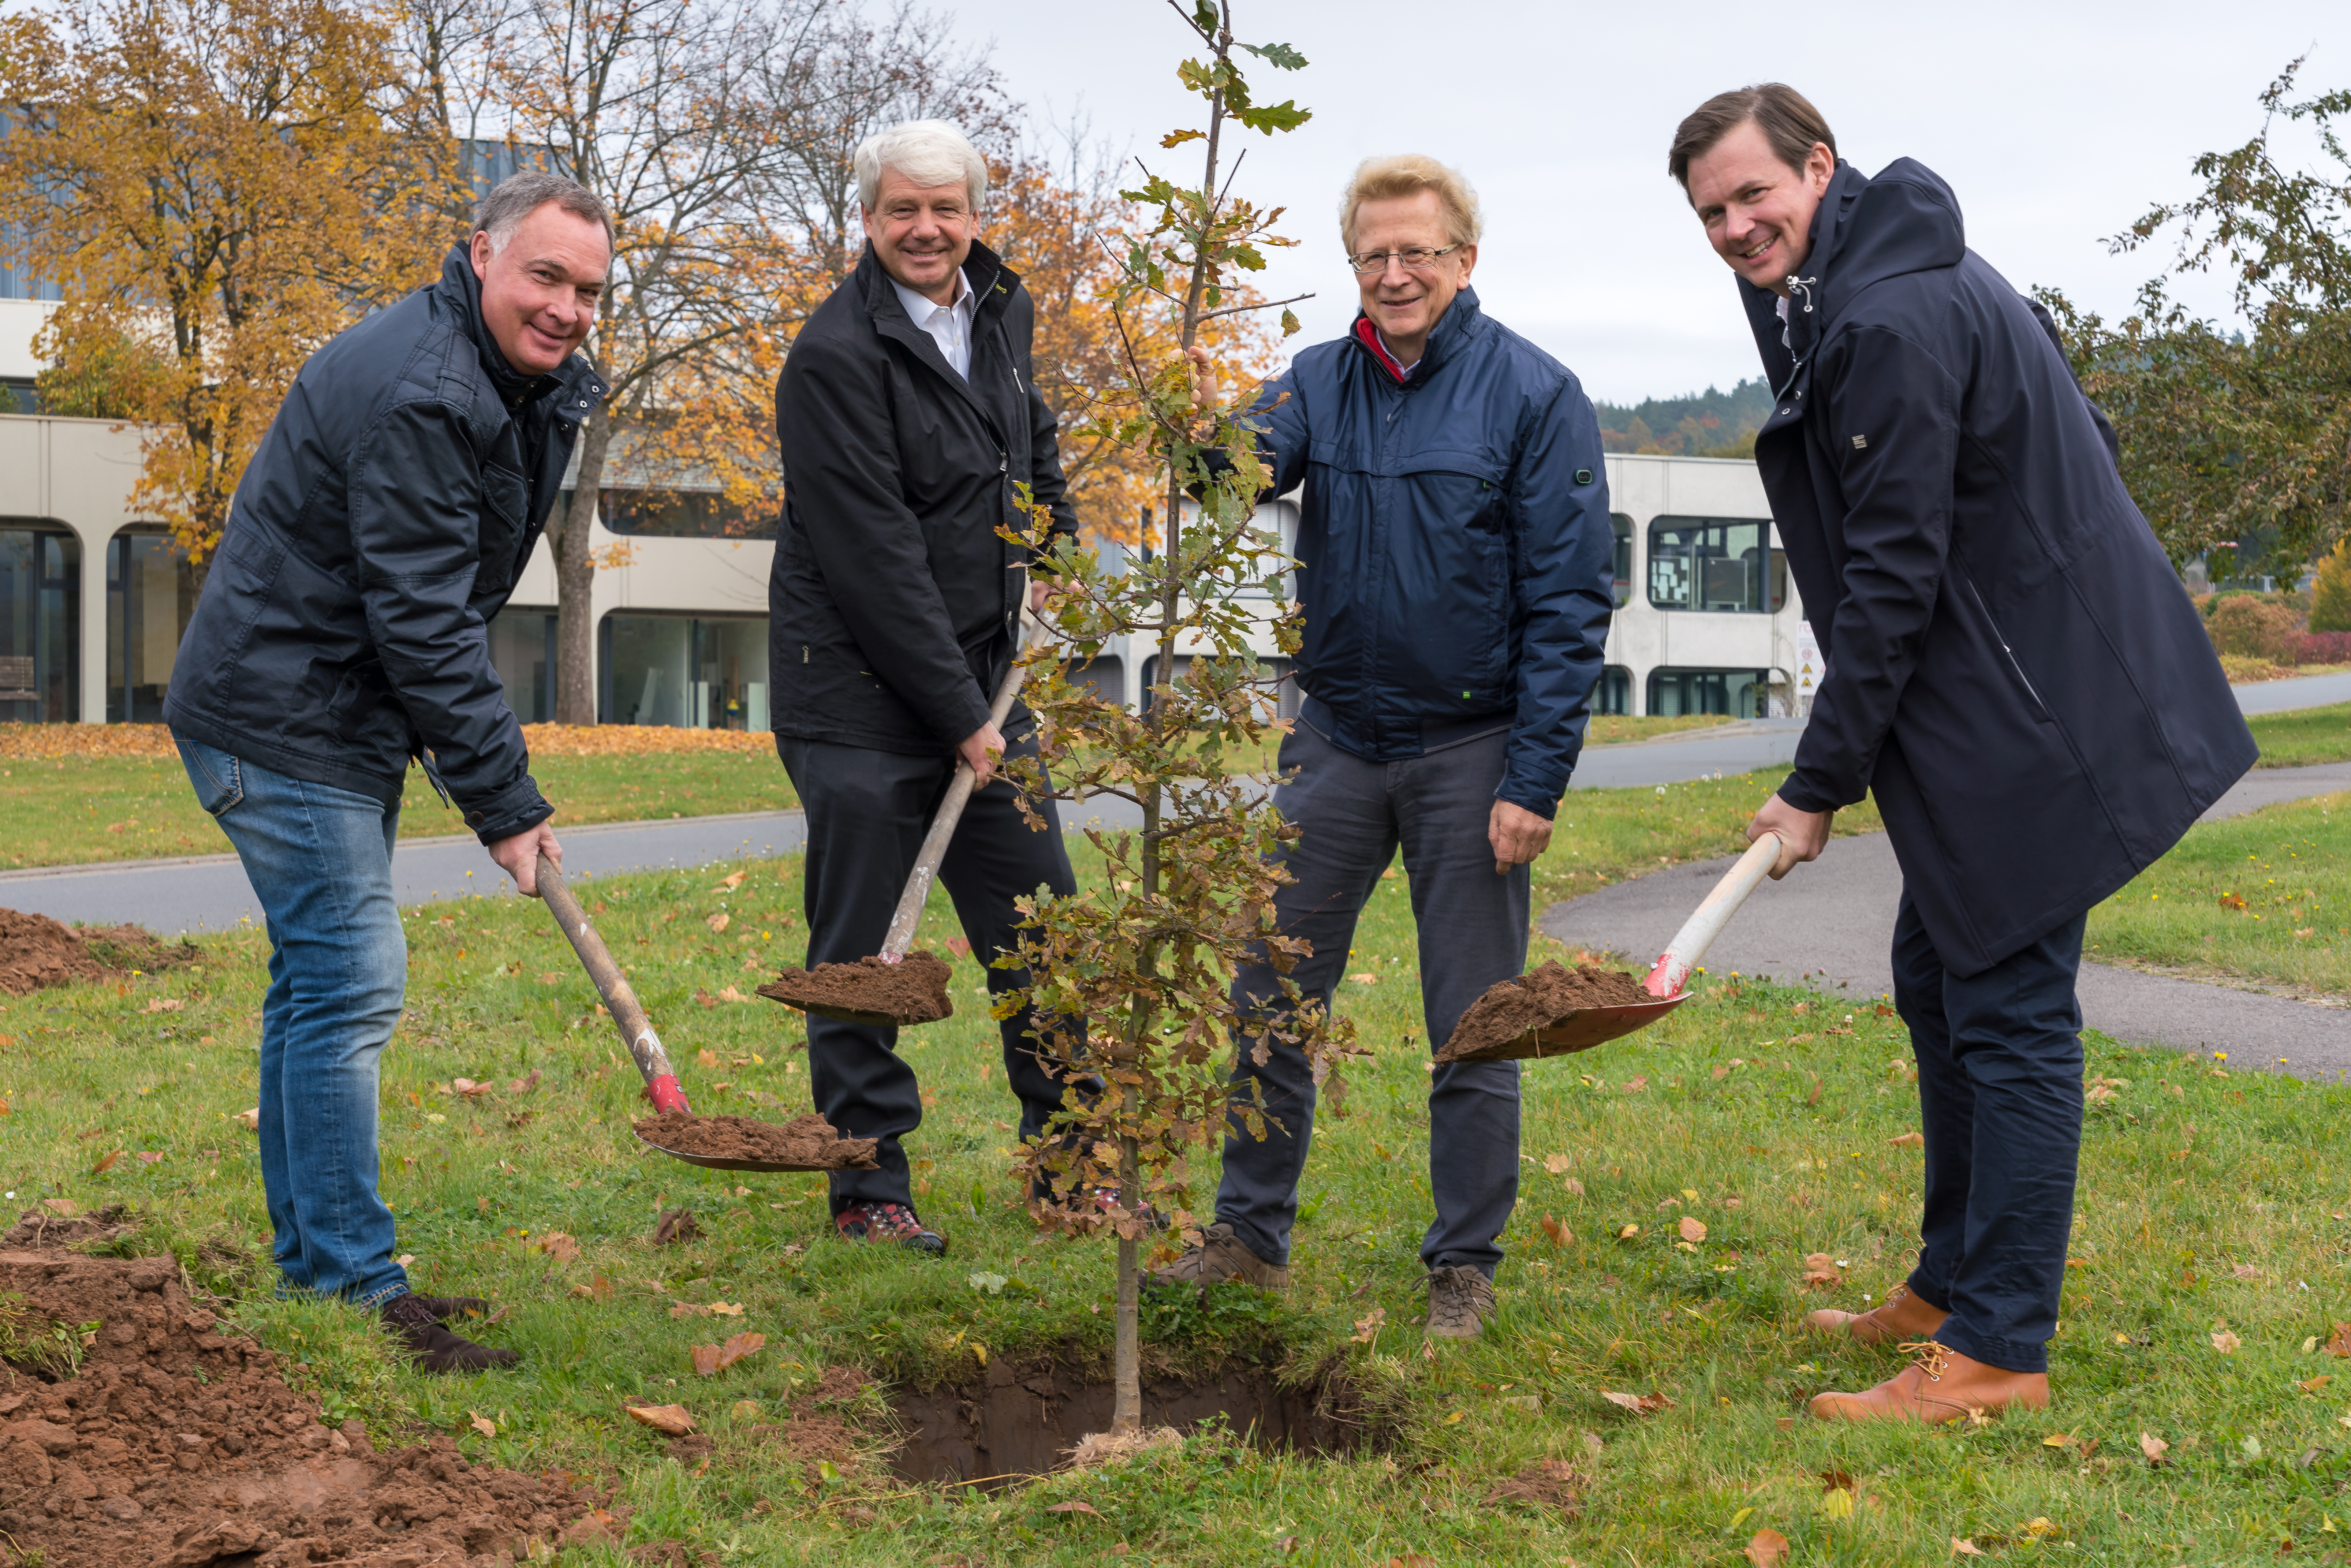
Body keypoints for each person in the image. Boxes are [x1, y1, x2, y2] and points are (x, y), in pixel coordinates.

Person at [1670, 85, 2255, 1421]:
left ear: (1819, 167)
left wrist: (1816, 782)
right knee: (1937, 976)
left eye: (1755, 194)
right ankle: (1951, 1279)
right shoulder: (1869, 275)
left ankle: (1998, 1348)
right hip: (2014, 690)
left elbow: (1891, 578)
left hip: (2031, 713)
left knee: (2009, 1017)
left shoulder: (1887, 312)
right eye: (1710, 212)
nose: (1734, 226)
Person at [1151, 156, 1615, 1340]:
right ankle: (1248, 1238)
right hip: (1338, 743)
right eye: (1374, 256)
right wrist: (1194, 410)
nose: (1396, 274)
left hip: (1474, 749)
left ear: (1466, 258)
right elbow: (1217, 480)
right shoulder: (1318, 381)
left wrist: (1535, 778)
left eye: (1419, 253)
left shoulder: (1534, 393)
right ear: (1354, 264)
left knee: (1475, 1022)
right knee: (1270, 995)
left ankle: (1462, 1266)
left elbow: (1571, 602)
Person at [165, 171, 614, 1372]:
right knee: (354, 978)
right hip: (282, 711)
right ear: (481, 255)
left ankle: (317, 1268)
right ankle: (357, 1283)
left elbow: (434, 604)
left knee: (316, 982)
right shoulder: (426, 393)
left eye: (588, 289)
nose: (569, 308)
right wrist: (506, 804)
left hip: (323, 703)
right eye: (546, 276)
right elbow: (425, 619)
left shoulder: (520, 379)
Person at [769, 119, 1087, 1257]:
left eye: (946, 208)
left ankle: (1075, 1170)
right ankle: (868, 1190)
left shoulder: (1000, 310)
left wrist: (1059, 547)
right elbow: (873, 560)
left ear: (974, 214)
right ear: (866, 220)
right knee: (864, 962)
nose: (927, 229)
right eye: (902, 209)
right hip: (858, 702)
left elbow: (1031, 446)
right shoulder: (833, 360)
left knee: (1042, 934)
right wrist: (959, 715)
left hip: (986, 693)